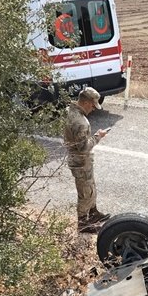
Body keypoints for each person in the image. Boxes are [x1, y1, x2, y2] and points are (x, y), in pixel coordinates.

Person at [64, 87, 110, 233]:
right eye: (92, 105)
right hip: (81, 161)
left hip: (79, 161)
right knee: (85, 193)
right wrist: (98, 136)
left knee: (90, 187)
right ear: (85, 102)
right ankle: (83, 224)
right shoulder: (80, 122)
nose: (93, 109)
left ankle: (93, 213)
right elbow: (83, 147)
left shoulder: (70, 111)